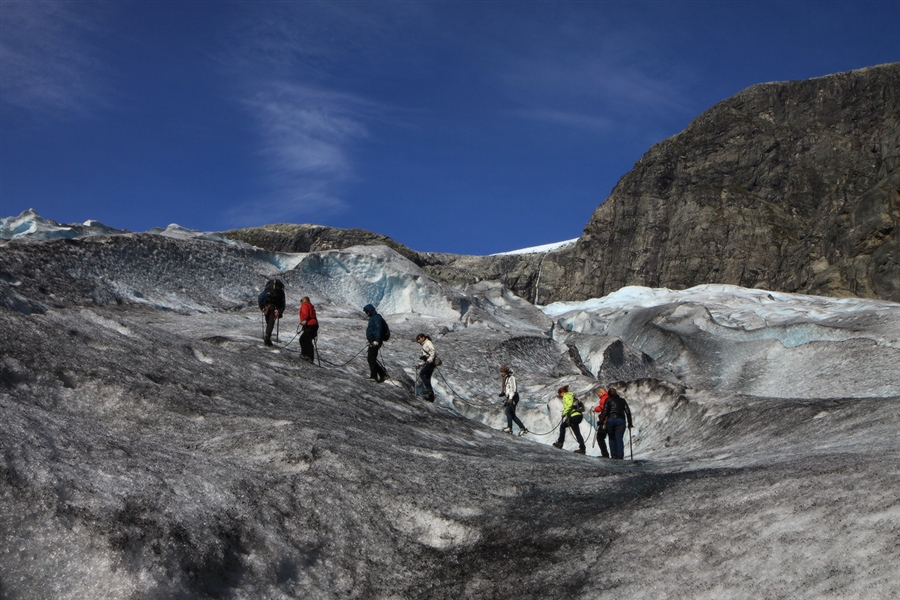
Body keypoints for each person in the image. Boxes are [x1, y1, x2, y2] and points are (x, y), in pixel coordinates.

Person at [599, 387, 633, 460]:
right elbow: (628, 412)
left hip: (611, 420)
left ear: (609, 394)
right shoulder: (622, 400)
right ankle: (620, 455)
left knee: (611, 438)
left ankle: (614, 455)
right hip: (620, 421)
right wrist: (630, 423)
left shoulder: (608, 400)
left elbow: (605, 411)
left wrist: (601, 421)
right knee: (619, 438)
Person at [552, 385, 586, 454]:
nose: (561, 396)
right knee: (576, 432)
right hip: (578, 415)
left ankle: (560, 443)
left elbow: (570, 405)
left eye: (560, 395)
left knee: (563, 426)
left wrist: (564, 413)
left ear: (562, 393)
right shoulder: (572, 396)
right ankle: (582, 448)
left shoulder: (566, 396)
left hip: (573, 416)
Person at [498, 365, 528, 436]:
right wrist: (504, 393)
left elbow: (513, 389)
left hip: (513, 397)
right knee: (512, 414)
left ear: (506, 372)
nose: (501, 373)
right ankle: (523, 428)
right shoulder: (506, 378)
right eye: (501, 372)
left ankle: (509, 428)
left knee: (508, 412)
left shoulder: (511, 378)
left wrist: (510, 398)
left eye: (502, 372)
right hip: (510, 397)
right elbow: (507, 388)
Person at [363, 304, 387, 383]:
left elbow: (378, 329)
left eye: (367, 311)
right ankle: (382, 374)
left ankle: (374, 376)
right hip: (373, 341)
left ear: (370, 311)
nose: (366, 313)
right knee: (371, 358)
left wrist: (377, 340)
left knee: (371, 358)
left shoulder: (376, 318)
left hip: (375, 341)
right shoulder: (373, 318)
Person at [257, 279, 285, 346]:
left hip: (267, 307)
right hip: (274, 309)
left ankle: (267, 336)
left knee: (268, 322)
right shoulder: (281, 292)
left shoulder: (267, 290)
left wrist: (261, 306)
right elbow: (282, 303)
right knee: (271, 323)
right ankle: (267, 337)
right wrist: (280, 312)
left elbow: (260, 298)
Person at [415, 334, 437, 401]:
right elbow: (426, 357)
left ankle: (428, 389)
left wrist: (430, 359)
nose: (418, 340)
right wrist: (420, 364)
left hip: (431, 362)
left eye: (419, 339)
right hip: (430, 362)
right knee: (427, 379)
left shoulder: (428, 342)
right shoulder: (423, 344)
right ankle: (431, 397)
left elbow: (433, 351)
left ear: (423, 337)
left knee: (422, 373)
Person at [591, 387, 611, 458]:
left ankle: (605, 454)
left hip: (605, 420)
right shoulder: (610, 397)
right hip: (611, 419)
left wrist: (595, 409)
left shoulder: (604, 398)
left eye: (598, 395)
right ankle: (616, 455)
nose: (598, 396)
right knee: (612, 438)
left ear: (601, 392)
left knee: (600, 437)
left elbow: (603, 407)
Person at [298, 296, 319, 362]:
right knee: (307, 340)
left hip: (309, 325)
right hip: (314, 325)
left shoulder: (305, 305)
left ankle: (306, 355)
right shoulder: (311, 305)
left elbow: (306, 314)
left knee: (304, 340)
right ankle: (309, 356)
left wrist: (304, 321)